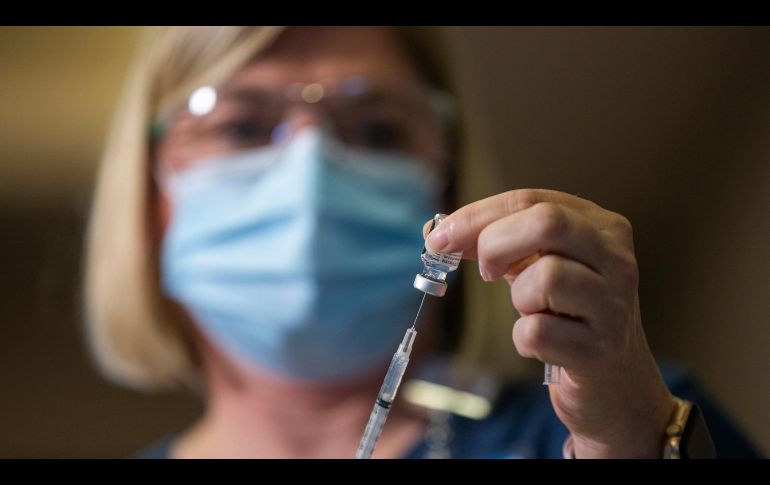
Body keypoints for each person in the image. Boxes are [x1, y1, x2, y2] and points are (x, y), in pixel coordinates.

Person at [83, 26, 761, 459]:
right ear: (150, 203)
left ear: (447, 189)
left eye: (377, 131)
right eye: (241, 127)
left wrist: (631, 442)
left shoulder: (628, 415)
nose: (310, 168)